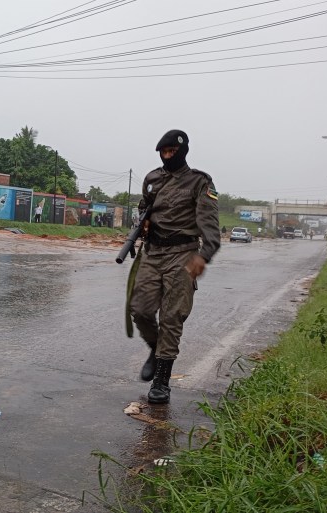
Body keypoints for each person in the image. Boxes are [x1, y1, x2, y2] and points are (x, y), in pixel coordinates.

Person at [129, 130, 220, 404]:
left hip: (183, 254)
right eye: (163, 152)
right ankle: (156, 348)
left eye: (171, 152)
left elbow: (209, 226)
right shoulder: (152, 179)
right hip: (153, 252)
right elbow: (144, 207)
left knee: (172, 317)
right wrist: (141, 224)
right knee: (141, 309)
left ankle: (161, 381)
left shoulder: (199, 182)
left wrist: (203, 256)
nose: (167, 156)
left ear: (182, 152)